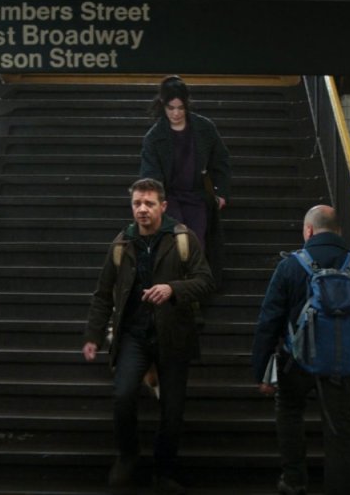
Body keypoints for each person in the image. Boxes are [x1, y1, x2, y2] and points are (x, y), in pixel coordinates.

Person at [82, 178, 216, 494]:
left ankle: (164, 471)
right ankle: (128, 456)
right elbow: (103, 294)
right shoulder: (121, 243)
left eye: (149, 203)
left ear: (163, 206)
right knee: (123, 395)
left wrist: (173, 289)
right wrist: (94, 336)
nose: (142, 209)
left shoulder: (183, 238)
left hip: (174, 335)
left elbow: (206, 281)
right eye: (137, 204)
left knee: (172, 409)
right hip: (133, 335)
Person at [250, 205, 350, 495]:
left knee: (289, 413)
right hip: (341, 363)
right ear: (338, 231)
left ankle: (294, 481)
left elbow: (269, 319)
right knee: (342, 431)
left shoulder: (290, 265)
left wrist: (262, 371)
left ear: (308, 230)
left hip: (294, 362)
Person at [140, 76, 231, 277]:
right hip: (169, 197)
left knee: (197, 241)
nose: (176, 113)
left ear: (187, 104)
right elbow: (150, 175)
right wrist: (155, 203)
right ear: (163, 106)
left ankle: (196, 286)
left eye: (180, 108)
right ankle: (179, 287)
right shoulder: (154, 138)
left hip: (196, 195)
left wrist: (221, 192)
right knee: (176, 241)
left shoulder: (204, 128)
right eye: (171, 108)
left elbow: (221, 161)